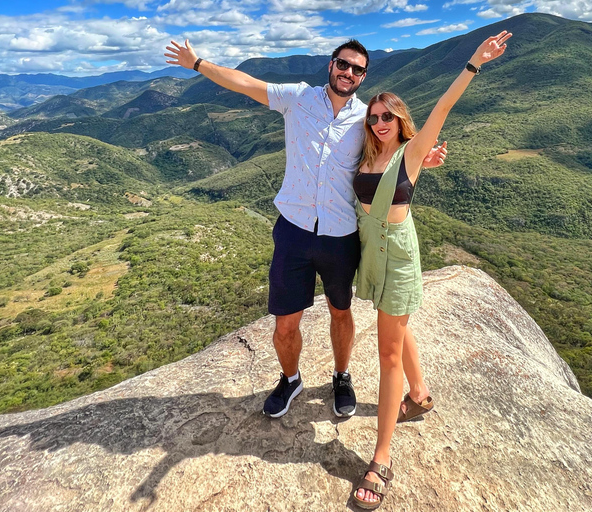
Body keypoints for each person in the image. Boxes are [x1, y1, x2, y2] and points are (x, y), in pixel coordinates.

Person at [164, 39, 447, 420]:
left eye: (357, 69)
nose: (349, 73)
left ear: (364, 76)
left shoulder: (366, 119)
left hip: (341, 233)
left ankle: (342, 376)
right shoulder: (297, 98)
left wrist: (421, 161)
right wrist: (197, 63)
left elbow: (391, 151)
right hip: (294, 229)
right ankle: (290, 378)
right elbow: (244, 83)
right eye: (343, 65)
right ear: (331, 65)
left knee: (341, 312)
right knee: (284, 323)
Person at [349, 30, 512, 509]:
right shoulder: (365, 154)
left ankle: (381, 458)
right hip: (369, 253)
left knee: (387, 355)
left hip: (397, 256)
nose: (379, 122)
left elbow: (442, 108)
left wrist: (474, 63)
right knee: (396, 322)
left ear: (401, 121)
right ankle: (418, 395)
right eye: (373, 116)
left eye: (387, 116)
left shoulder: (410, 151)